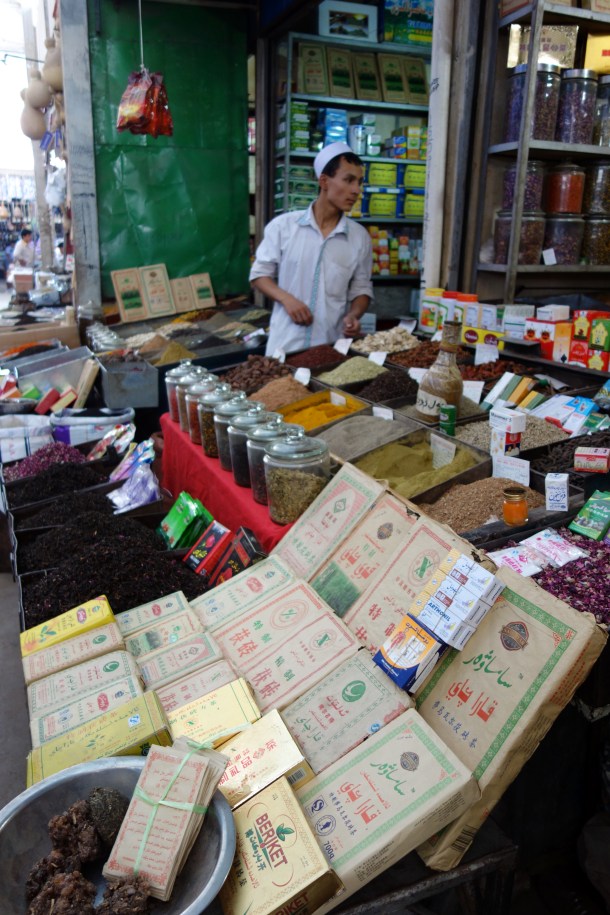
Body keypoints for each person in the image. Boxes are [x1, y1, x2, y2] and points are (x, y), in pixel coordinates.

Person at [250, 141, 373, 356]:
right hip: (284, 345)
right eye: (348, 180)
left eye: (359, 182)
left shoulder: (359, 237)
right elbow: (259, 275)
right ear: (324, 181)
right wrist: (287, 300)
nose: (356, 190)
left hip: (329, 347)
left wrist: (354, 315)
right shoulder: (283, 227)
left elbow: (362, 289)